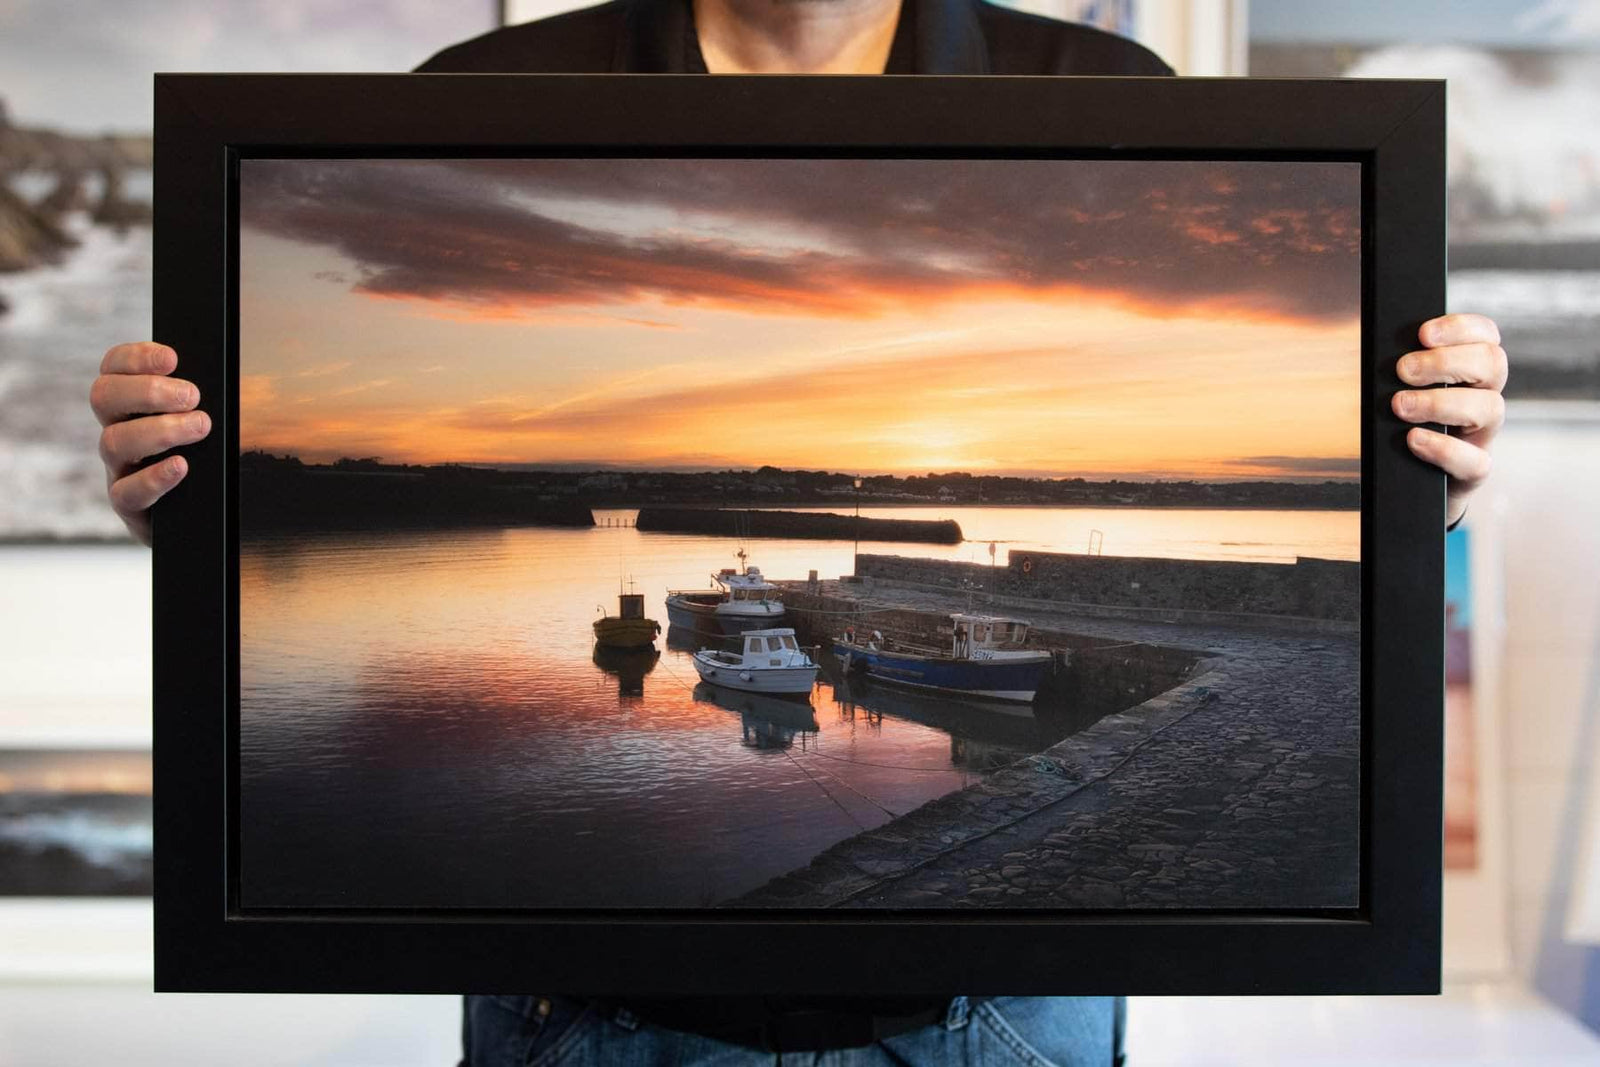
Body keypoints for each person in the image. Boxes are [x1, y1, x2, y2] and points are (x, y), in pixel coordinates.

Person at [88, 1, 1508, 1063]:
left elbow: (1377, 455)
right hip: (582, 1019)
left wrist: (1411, 478)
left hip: (996, 1023)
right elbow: (239, 505)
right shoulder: (487, 91)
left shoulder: (1101, 89)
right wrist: (196, 498)